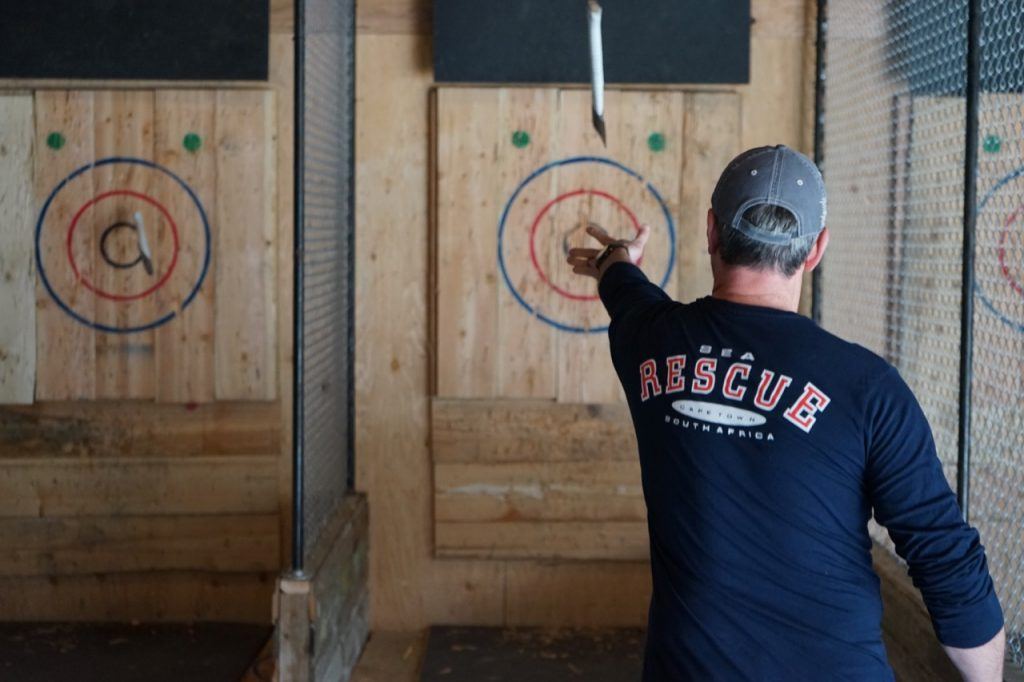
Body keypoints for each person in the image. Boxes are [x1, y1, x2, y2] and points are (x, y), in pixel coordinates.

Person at [565, 145, 1005, 681]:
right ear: (816, 249)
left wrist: (614, 259)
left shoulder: (651, 340)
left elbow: (626, 289)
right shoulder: (868, 389)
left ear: (711, 232)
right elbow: (947, 564)